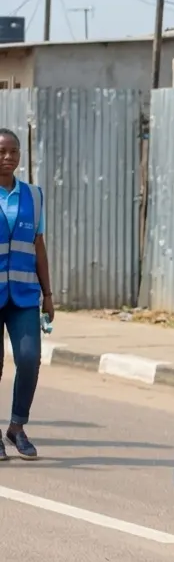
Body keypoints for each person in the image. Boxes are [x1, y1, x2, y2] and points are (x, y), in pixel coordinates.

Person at [0, 127, 54, 461]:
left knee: (29, 359)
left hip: (23, 294)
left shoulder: (33, 195)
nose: (7, 158)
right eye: (2, 152)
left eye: (13, 152)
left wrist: (48, 294)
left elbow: (38, 245)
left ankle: (17, 427)